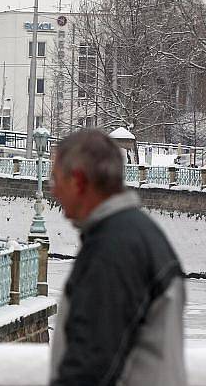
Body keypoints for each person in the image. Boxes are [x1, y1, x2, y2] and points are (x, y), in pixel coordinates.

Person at [49, 129, 186, 386]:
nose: (53, 191)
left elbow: (91, 366)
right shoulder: (138, 234)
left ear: (78, 181)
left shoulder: (111, 252)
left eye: (55, 179)